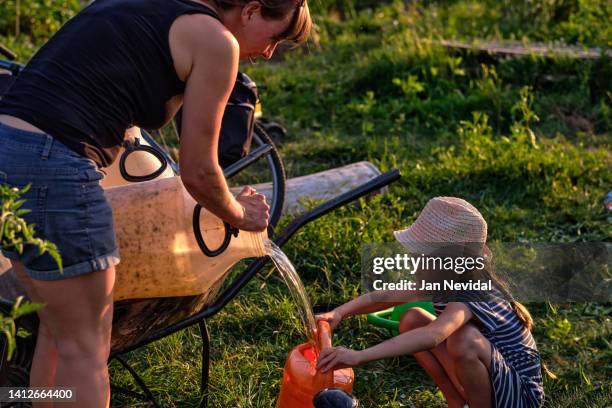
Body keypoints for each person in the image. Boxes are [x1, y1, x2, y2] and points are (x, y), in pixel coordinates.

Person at [0, 0, 311, 406]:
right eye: (275, 37)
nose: (270, 53)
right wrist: (239, 213)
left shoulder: (152, 5)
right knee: (87, 350)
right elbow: (198, 172)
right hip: (53, 164)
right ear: (251, 10)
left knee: (58, 334)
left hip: (7, 152)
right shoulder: (216, 41)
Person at [316, 197, 544, 408]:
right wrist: (339, 312)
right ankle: (456, 401)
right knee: (412, 319)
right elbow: (390, 295)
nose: (415, 261)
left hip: (520, 398)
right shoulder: (447, 279)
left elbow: (432, 335)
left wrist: (359, 355)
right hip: (495, 382)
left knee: (463, 340)